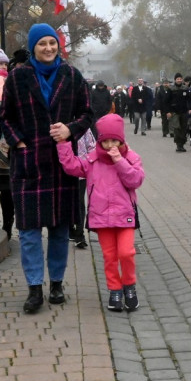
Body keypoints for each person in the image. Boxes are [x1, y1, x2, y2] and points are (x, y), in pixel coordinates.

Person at [0, 23, 93, 314]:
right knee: (28, 232)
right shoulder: (17, 77)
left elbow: (88, 113)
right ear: (33, 47)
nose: (48, 48)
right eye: (42, 44)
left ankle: (56, 284)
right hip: (28, 164)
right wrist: (18, 143)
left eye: (52, 43)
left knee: (59, 229)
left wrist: (70, 129)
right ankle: (33, 289)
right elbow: (5, 117)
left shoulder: (72, 75)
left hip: (62, 165)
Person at [57, 113, 145, 312]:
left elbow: (135, 180)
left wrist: (119, 161)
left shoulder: (131, 157)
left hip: (125, 215)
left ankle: (129, 286)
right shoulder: (92, 160)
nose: (110, 145)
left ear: (121, 140)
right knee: (109, 256)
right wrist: (62, 143)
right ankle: (114, 289)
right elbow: (72, 167)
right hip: (101, 216)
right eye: (105, 141)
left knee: (126, 252)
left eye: (114, 140)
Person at [163, 73, 191, 153]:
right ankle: (178, 145)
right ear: (175, 80)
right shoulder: (171, 89)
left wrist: (189, 109)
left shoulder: (185, 88)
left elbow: (189, 100)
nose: (179, 80)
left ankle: (182, 144)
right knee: (177, 128)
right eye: (177, 79)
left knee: (184, 128)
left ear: (182, 79)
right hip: (174, 112)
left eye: (180, 79)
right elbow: (166, 101)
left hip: (184, 111)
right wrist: (167, 111)